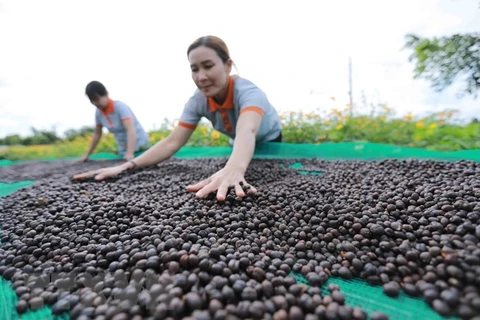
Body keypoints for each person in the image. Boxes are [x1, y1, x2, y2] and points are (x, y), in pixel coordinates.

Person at [73, 36, 282, 201]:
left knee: (256, 166)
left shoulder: (249, 93)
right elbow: (172, 142)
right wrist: (127, 166)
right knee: (237, 160)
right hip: (238, 143)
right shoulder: (198, 101)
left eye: (208, 66)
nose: (201, 77)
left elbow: (248, 130)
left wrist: (233, 169)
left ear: (228, 65)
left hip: (270, 139)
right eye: (194, 69)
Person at [80, 81, 151, 161]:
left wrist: (130, 152)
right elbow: (97, 134)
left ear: (105, 94)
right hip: (123, 150)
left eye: (97, 99)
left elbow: (130, 129)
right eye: (92, 100)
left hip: (140, 145)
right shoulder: (99, 113)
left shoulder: (120, 107)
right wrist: (87, 155)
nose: (95, 103)